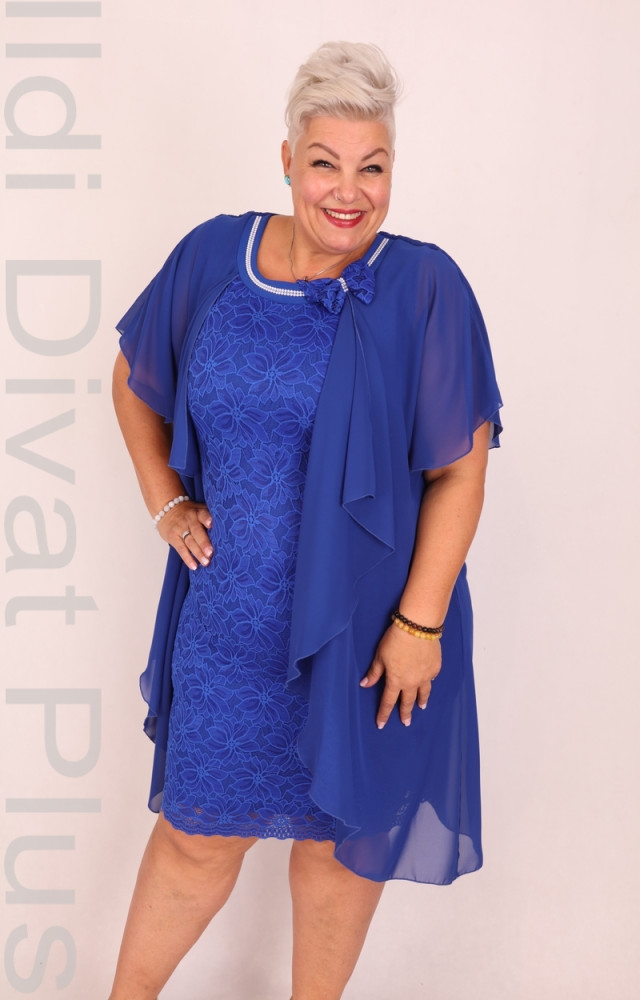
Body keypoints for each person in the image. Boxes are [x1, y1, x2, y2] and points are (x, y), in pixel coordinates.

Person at [110, 40, 502, 1000]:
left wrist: (419, 626)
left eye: (374, 167)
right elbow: (132, 378)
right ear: (287, 158)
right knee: (195, 838)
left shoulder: (424, 287)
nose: (349, 192)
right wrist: (165, 497)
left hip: (369, 637)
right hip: (229, 627)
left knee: (336, 850)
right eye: (326, 162)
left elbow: (462, 470)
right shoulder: (213, 256)